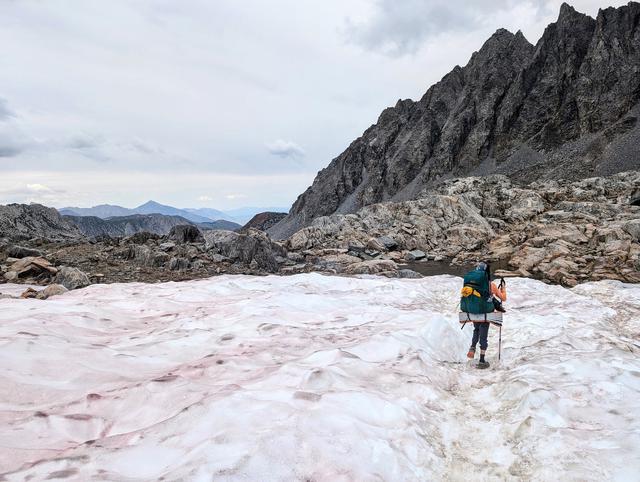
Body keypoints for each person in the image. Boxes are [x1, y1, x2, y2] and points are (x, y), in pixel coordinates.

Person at [460, 261, 507, 368]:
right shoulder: (491, 285)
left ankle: (472, 347)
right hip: (486, 312)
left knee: (476, 329)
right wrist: (503, 289)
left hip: (474, 310)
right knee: (484, 333)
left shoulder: (472, 283)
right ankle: (482, 359)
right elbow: (503, 298)